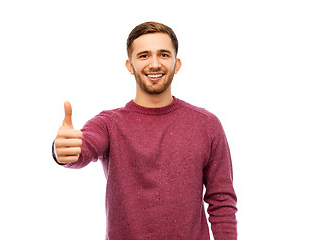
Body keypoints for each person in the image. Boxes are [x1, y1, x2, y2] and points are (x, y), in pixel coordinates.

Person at [52, 22, 237, 240]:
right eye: (144, 56)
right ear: (130, 66)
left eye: (164, 54)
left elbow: (222, 199)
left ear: (176, 64)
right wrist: (63, 152)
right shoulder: (109, 123)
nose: (155, 64)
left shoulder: (207, 124)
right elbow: (84, 148)